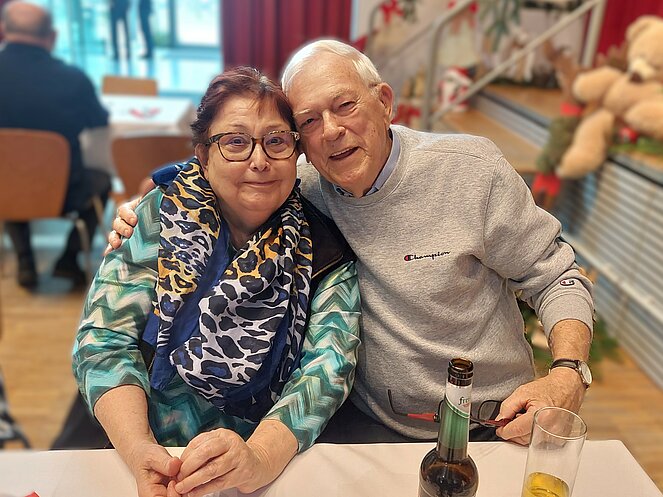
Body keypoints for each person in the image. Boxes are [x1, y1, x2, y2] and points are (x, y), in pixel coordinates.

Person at [111, 39, 594, 446]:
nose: (332, 131)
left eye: (345, 106)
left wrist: (567, 372)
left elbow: (556, 276)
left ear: (384, 102)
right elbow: (230, 166)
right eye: (309, 121)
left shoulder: (471, 172)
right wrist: (153, 200)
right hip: (366, 427)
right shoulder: (301, 187)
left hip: (495, 422)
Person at [74, 66, 360, 497]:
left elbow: (328, 369)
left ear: (296, 153)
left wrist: (258, 458)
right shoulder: (158, 217)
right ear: (204, 156)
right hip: (146, 445)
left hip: (265, 464)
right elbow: (103, 339)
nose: (259, 161)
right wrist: (140, 450)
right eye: (235, 142)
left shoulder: (323, 248)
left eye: (276, 141)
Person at [0, 0, 111, 288]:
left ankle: (25, 262)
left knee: (9, 174)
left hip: (4, 189)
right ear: (51, 37)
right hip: (64, 190)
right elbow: (98, 120)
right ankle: (69, 258)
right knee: (103, 181)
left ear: (3, 30)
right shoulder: (73, 80)